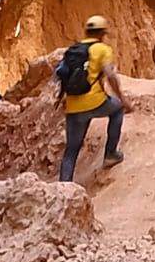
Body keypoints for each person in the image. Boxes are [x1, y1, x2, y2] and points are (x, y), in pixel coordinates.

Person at [53, 17, 127, 182]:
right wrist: (122, 98)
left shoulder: (72, 50)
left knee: (71, 150)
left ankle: (63, 188)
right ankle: (110, 154)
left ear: (86, 32)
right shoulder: (102, 49)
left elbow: (60, 75)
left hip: (72, 106)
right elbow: (110, 75)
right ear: (102, 34)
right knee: (117, 110)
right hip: (95, 101)